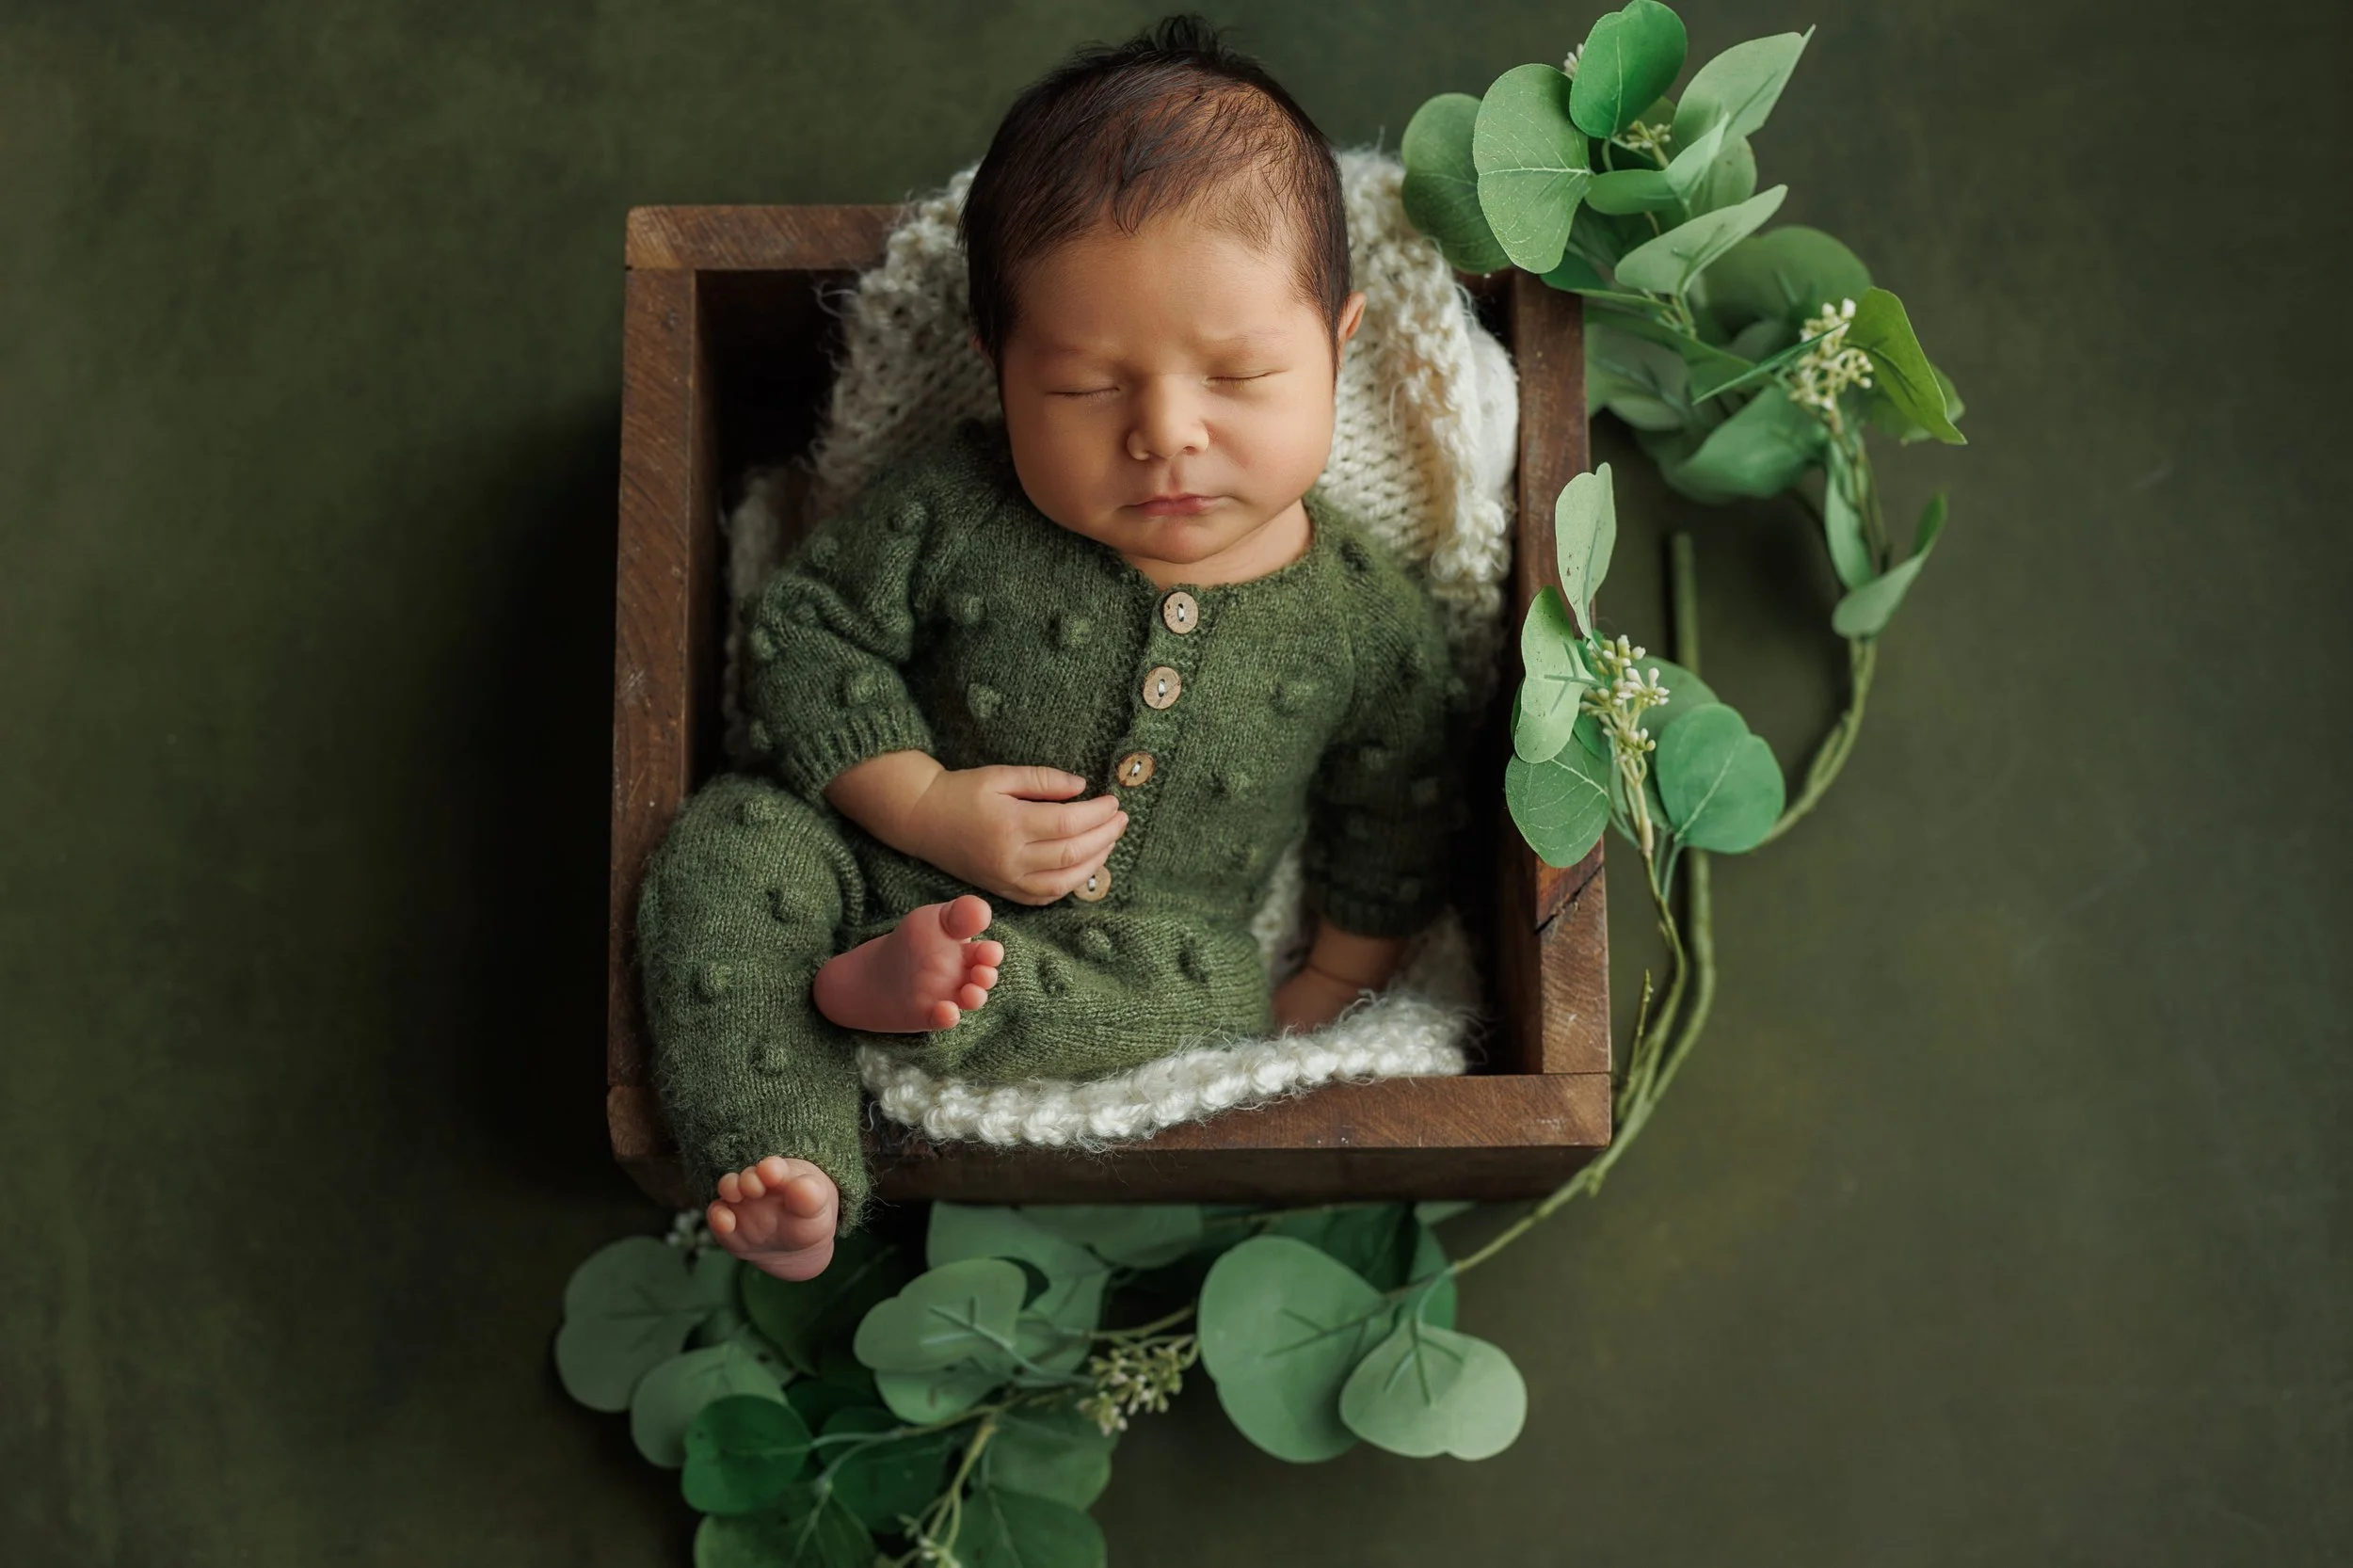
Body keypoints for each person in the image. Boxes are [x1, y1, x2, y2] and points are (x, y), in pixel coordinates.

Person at [636, 15, 1465, 1281]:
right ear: (1000, 369)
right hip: (866, 855)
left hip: (1147, 952)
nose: (1167, 433)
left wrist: (1329, 984)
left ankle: (882, 1002)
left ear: (1339, 348)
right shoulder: (956, 508)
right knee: (724, 853)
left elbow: (1396, 802)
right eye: (1087, 387)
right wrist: (918, 800)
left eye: (1239, 376)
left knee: (1209, 1009)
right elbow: (804, 633)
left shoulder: (1360, 616)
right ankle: (786, 1147)